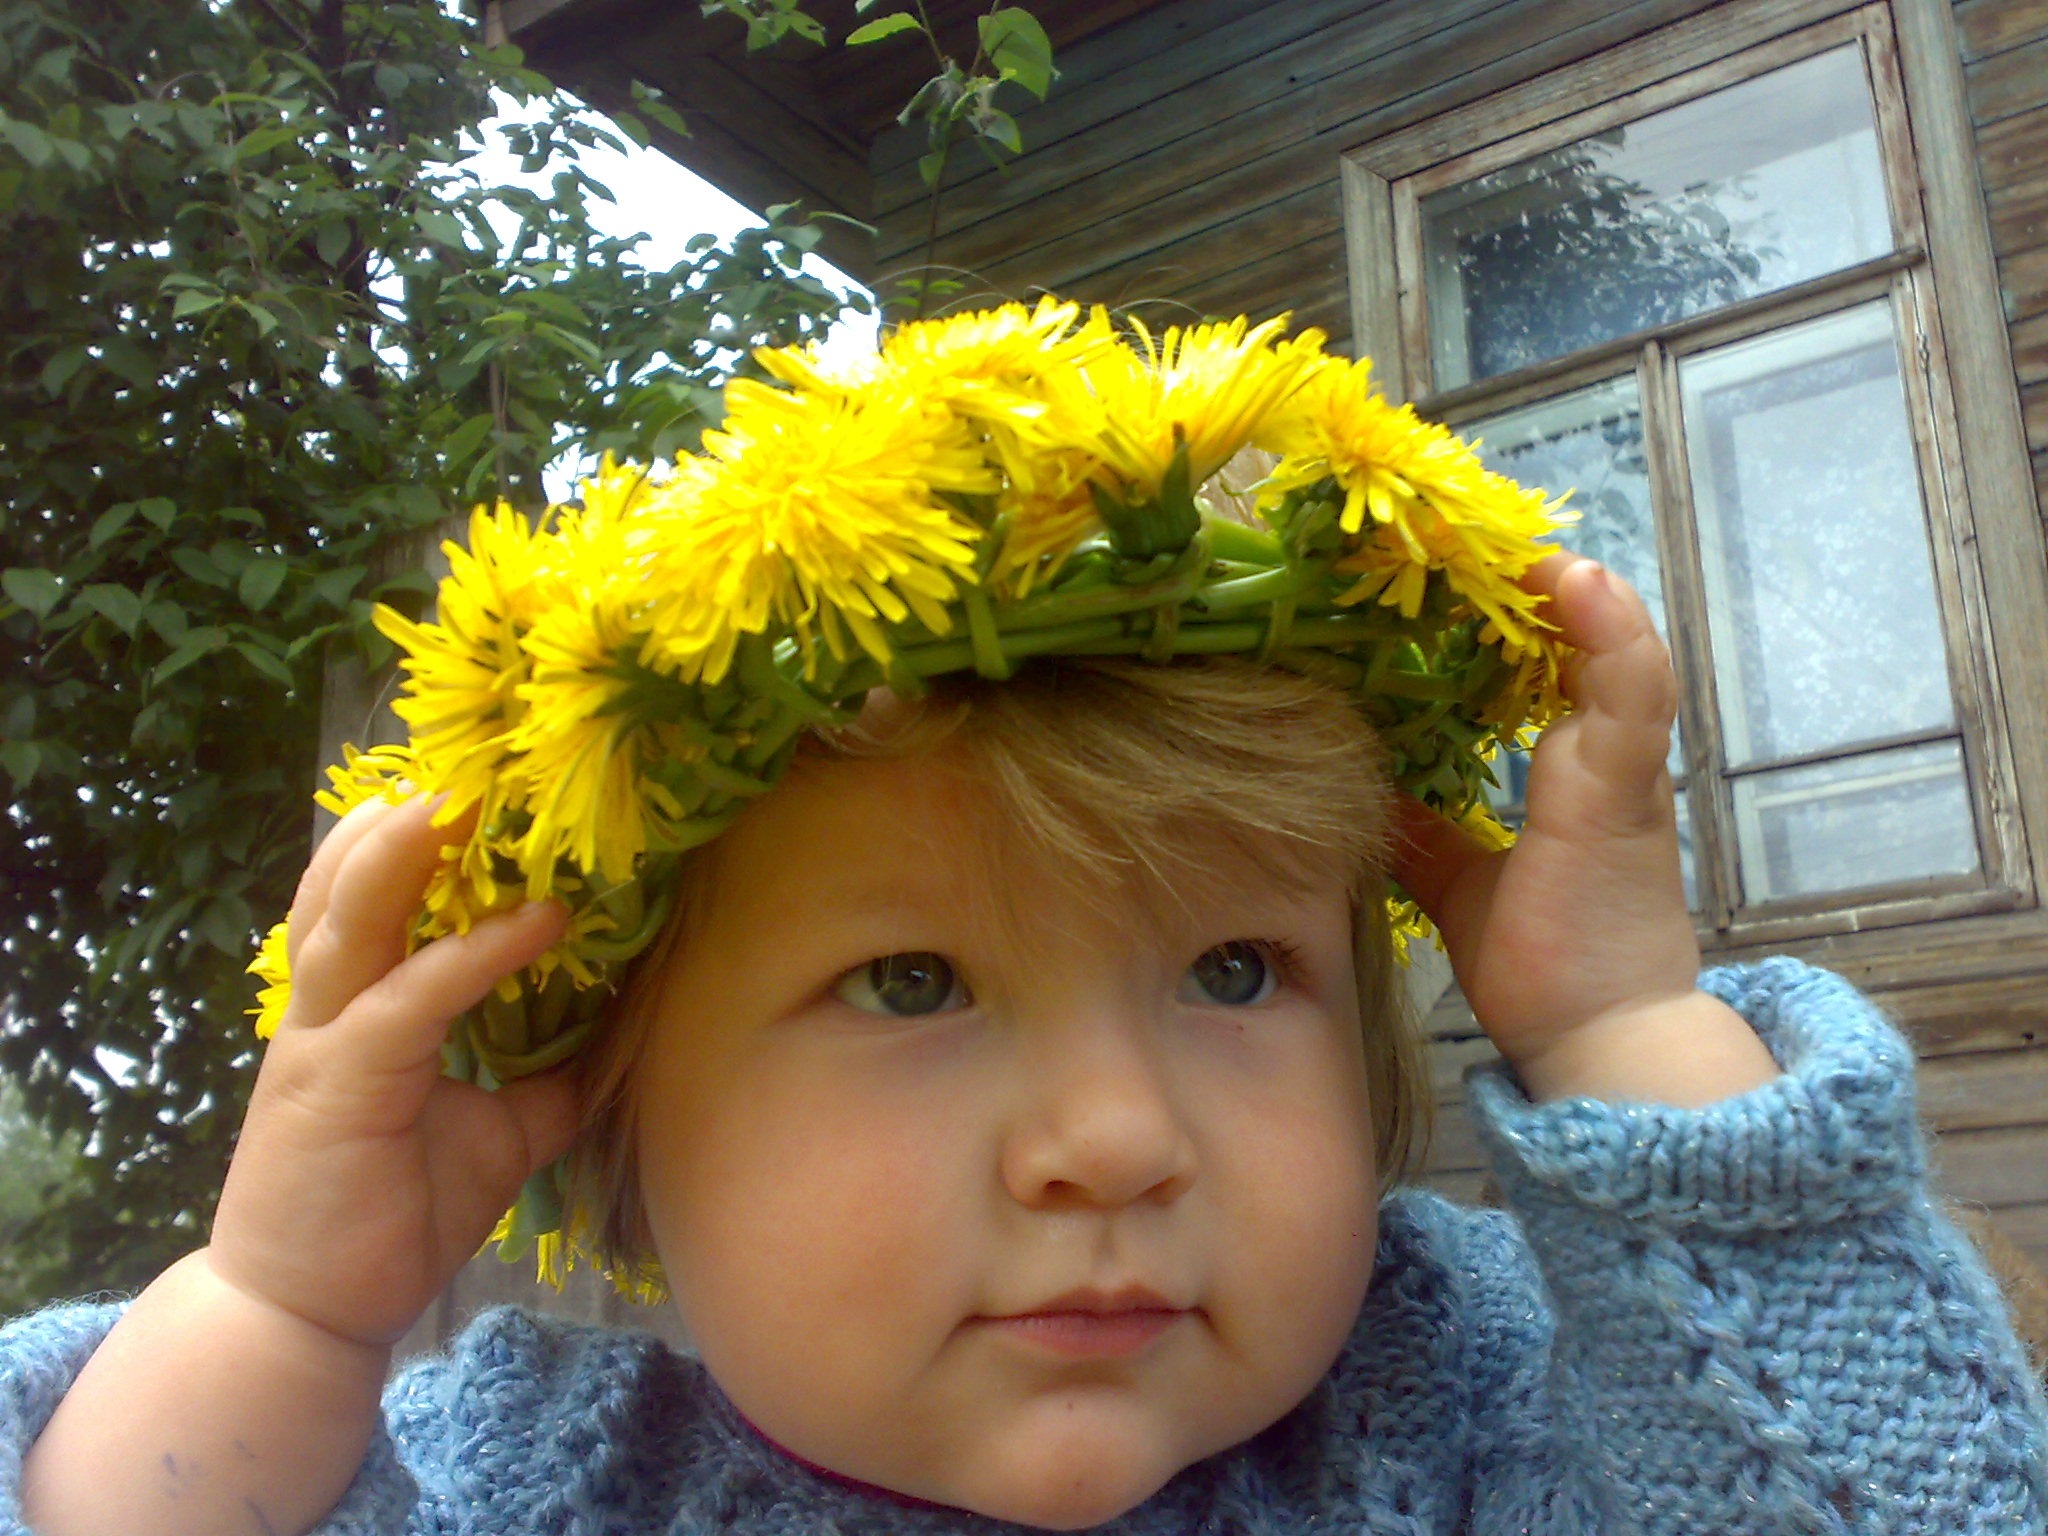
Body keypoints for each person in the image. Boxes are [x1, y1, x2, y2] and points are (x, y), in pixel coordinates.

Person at [5, 302, 2046, 1535]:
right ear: (616, 1097)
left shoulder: (1490, 1399)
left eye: (1235, 971)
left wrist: (1613, 1030)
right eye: (910, 980)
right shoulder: (531, 1477)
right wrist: (287, 1315)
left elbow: (1899, 1498)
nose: (1116, 1138)